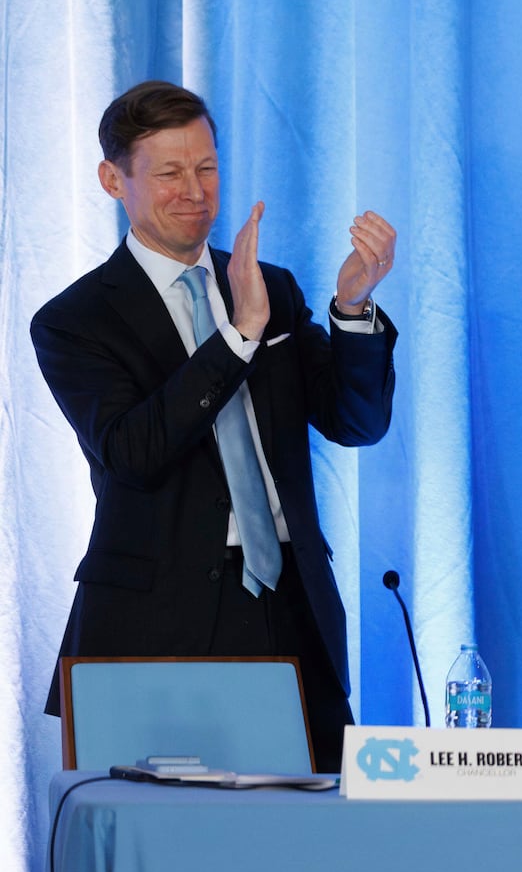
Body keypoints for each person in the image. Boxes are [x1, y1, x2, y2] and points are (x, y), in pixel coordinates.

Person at [31, 81, 399, 772]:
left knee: (320, 848)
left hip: (293, 605)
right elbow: (132, 452)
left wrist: (353, 307)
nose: (195, 190)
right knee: (175, 853)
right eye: (169, 172)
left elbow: (356, 421)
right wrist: (237, 337)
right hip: (157, 624)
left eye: (207, 167)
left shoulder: (271, 286)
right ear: (114, 179)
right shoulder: (73, 320)